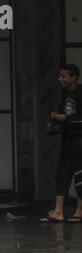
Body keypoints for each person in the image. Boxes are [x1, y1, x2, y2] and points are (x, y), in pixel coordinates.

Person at [41, 64, 82, 223]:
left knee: (80, 175)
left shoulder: (81, 93)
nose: (60, 79)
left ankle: (79, 210)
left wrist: (65, 119)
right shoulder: (65, 94)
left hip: (80, 140)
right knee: (62, 174)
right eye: (60, 76)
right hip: (67, 139)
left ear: (73, 77)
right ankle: (58, 211)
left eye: (64, 76)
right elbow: (62, 115)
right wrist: (55, 121)